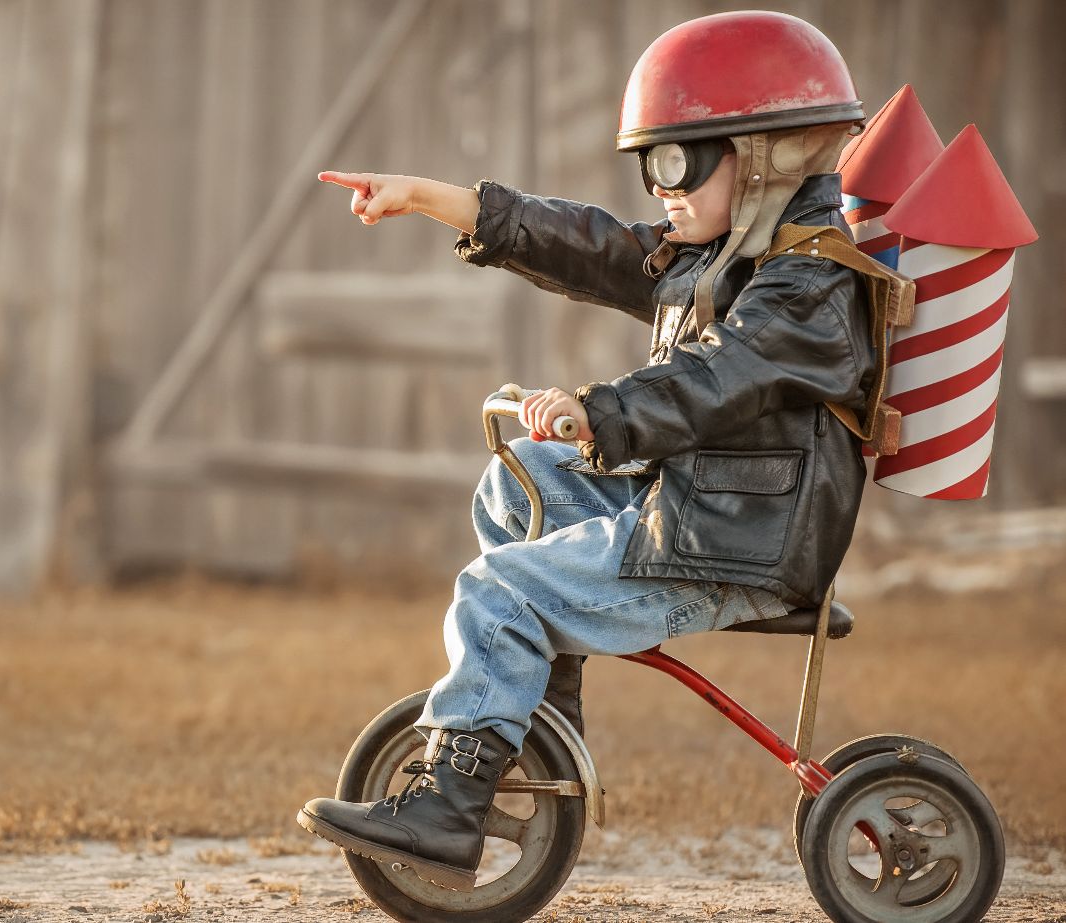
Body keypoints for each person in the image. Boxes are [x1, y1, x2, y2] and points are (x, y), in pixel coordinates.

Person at [295, 10, 881, 894]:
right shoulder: (726, 252)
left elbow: (713, 378)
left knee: (501, 586)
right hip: (710, 509)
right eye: (651, 164)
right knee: (515, 481)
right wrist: (433, 197)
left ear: (767, 154)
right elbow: (597, 246)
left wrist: (595, 410)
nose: (660, 188)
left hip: (739, 545)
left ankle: (449, 810)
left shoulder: (809, 284)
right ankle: (535, 715)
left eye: (678, 161)